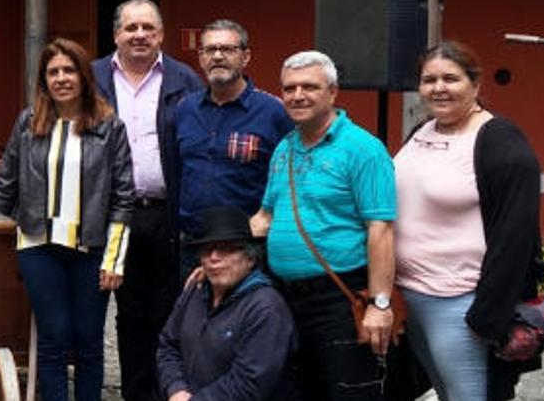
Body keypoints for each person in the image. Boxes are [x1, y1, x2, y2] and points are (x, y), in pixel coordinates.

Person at [0, 38, 134, 401]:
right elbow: (5, 185)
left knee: (89, 341)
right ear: (44, 79)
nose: (61, 78)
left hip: (91, 249)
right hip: (38, 248)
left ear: (84, 75)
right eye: (53, 72)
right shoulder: (29, 122)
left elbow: (123, 196)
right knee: (53, 337)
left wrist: (114, 259)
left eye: (69, 70)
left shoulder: (110, 126)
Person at [393, 41, 544, 401]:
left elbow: (516, 235)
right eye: (429, 79)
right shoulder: (423, 131)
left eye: (451, 78)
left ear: (475, 85)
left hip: (460, 303)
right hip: (412, 297)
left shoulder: (498, 141)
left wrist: (487, 315)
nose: (438, 88)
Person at [250, 50, 397, 401]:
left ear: (332, 92)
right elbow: (265, 217)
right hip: (284, 295)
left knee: (346, 391)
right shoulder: (285, 148)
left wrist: (379, 305)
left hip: (340, 297)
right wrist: (220, 252)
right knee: (298, 390)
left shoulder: (364, 149)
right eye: (289, 88)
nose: (297, 95)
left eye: (309, 87)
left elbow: (381, 230)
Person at [91, 0, 201, 401]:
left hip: (164, 216)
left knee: (167, 311)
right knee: (126, 314)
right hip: (108, 217)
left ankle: (165, 391)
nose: (139, 35)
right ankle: (135, 393)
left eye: (148, 28)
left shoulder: (184, 79)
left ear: (161, 34)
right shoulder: (92, 78)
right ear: (116, 33)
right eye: (130, 28)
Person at [176, 20, 292, 275]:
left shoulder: (274, 113)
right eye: (210, 49)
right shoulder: (185, 110)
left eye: (228, 49)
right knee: (193, 314)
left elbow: (290, 180)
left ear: (245, 56)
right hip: (193, 245)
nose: (218, 56)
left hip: (246, 247)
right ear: (201, 57)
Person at [156, 206, 299, 401]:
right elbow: (168, 346)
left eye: (227, 249)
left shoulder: (266, 308)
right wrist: (176, 388)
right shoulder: (194, 291)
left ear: (250, 258)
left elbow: (249, 385)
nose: (214, 257)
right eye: (207, 250)